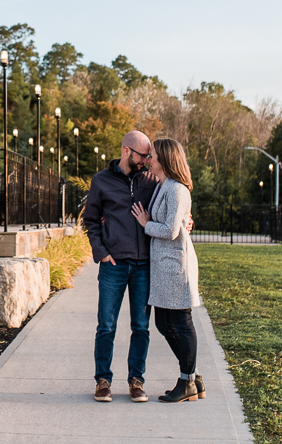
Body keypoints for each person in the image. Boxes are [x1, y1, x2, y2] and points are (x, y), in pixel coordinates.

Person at [83, 130, 157, 403]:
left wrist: (187, 220)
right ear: (126, 151)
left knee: (141, 326)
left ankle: (136, 381)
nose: (146, 161)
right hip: (113, 265)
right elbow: (91, 220)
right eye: (142, 155)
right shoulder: (101, 181)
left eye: (149, 156)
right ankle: (103, 381)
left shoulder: (151, 179)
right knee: (107, 325)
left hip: (143, 266)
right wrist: (101, 252)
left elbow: (173, 201)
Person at [130, 137, 204, 403]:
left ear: (164, 159)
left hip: (175, 266)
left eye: (152, 156)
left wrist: (145, 223)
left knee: (181, 323)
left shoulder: (176, 189)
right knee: (163, 322)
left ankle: (187, 381)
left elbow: (172, 231)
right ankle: (193, 376)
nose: (148, 160)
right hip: (163, 267)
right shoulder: (163, 185)